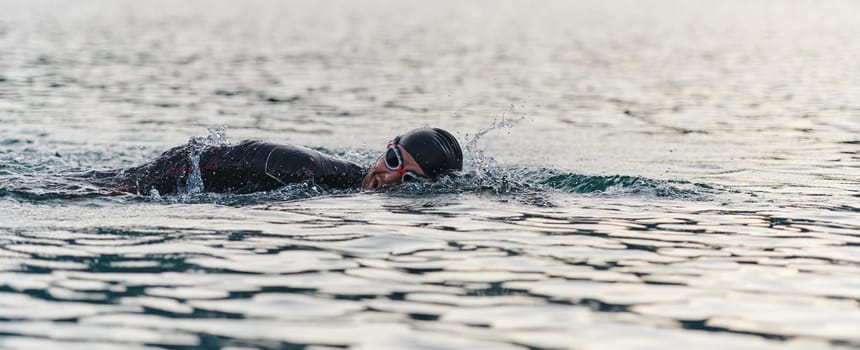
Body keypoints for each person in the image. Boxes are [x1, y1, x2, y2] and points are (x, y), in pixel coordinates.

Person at [102, 128, 463, 195]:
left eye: (410, 180)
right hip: (134, 185)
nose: (389, 177)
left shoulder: (345, 191)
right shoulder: (301, 167)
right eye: (393, 159)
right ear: (386, 147)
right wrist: (122, 189)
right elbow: (199, 159)